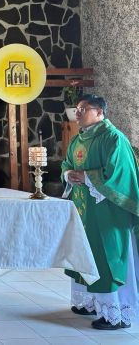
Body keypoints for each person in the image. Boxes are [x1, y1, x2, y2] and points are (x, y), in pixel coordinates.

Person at [62, 94, 139, 330]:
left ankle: (115, 313)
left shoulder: (114, 139)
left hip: (108, 212)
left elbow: (121, 175)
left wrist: (87, 176)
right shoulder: (78, 139)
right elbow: (67, 163)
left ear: (99, 112)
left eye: (83, 109)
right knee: (83, 252)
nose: (78, 113)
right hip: (83, 209)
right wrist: (68, 174)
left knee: (107, 258)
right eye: (77, 108)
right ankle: (88, 302)